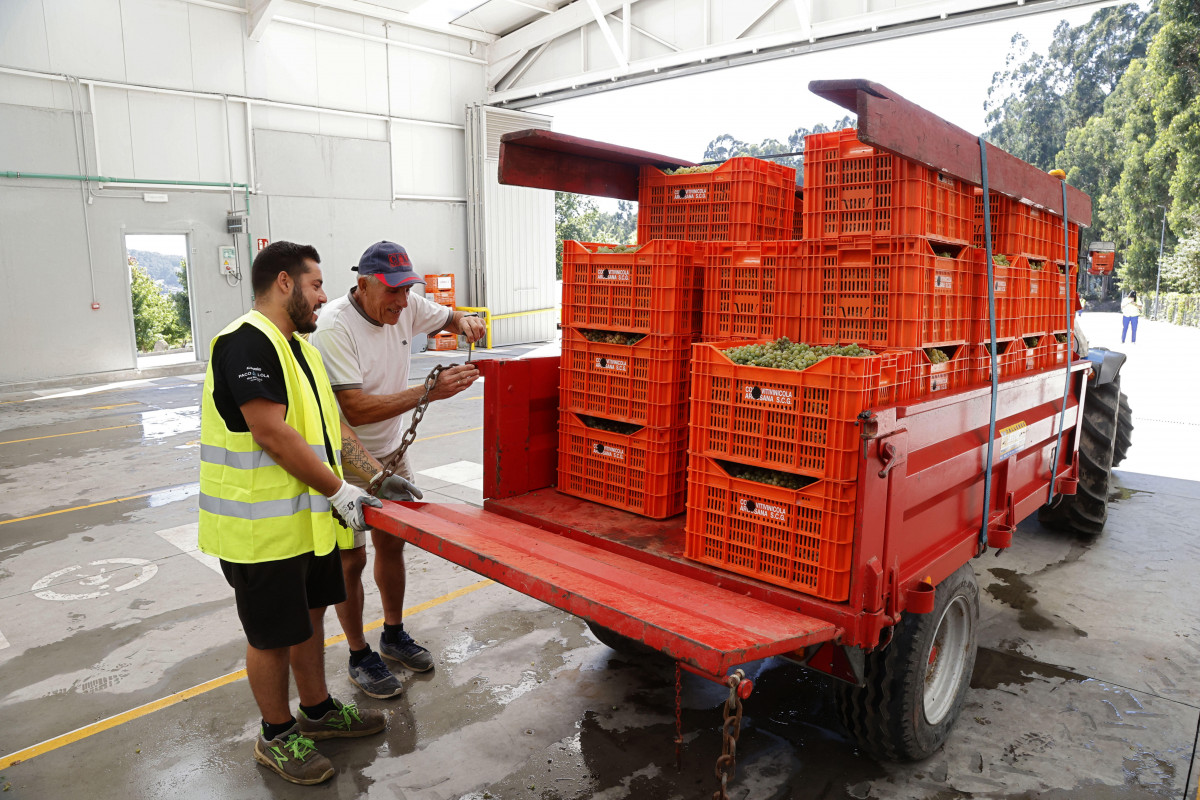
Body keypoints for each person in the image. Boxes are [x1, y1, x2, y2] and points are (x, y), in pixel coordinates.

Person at [199, 241, 415, 785]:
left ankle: (317, 712)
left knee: (310, 619)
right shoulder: (244, 343)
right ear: (285, 282)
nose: (324, 297)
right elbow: (272, 433)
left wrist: (374, 475)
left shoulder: (301, 349)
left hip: (307, 526)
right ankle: (276, 734)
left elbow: (333, 428)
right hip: (259, 531)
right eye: (316, 284)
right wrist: (340, 490)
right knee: (270, 635)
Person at [310, 241, 486, 699]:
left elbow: (446, 316)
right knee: (352, 559)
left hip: (392, 450)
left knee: (394, 543)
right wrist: (429, 390)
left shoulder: (405, 304)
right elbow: (354, 408)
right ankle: (358, 652)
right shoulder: (334, 327)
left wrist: (463, 319)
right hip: (345, 459)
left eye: (407, 290)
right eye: (392, 292)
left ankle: (393, 633)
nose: (402, 302)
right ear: (363, 284)